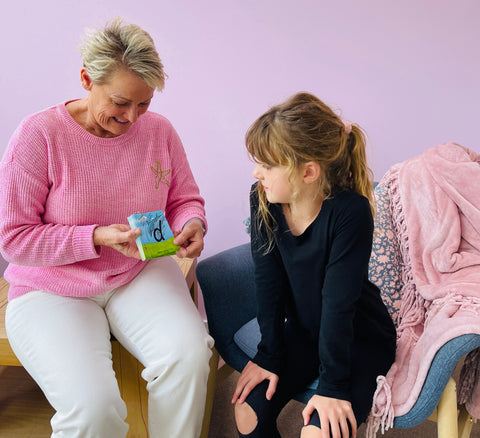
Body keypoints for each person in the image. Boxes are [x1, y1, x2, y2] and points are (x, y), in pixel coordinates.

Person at [0, 17, 213, 438]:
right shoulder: (38, 135)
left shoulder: (159, 131)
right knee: (94, 411)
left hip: (139, 271)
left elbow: (184, 198)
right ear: (86, 78)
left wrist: (192, 223)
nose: (132, 117)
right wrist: (95, 236)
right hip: (51, 287)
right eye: (120, 102)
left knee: (188, 357)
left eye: (144, 103)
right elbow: (14, 239)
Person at [231, 92, 396, 438]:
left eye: (267, 164)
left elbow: (338, 305)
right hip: (306, 331)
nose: (256, 171)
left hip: (358, 337)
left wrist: (333, 386)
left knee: (319, 434)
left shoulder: (350, 212)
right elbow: (268, 282)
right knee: (247, 413)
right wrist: (269, 354)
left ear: (308, 172)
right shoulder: (262, 197)